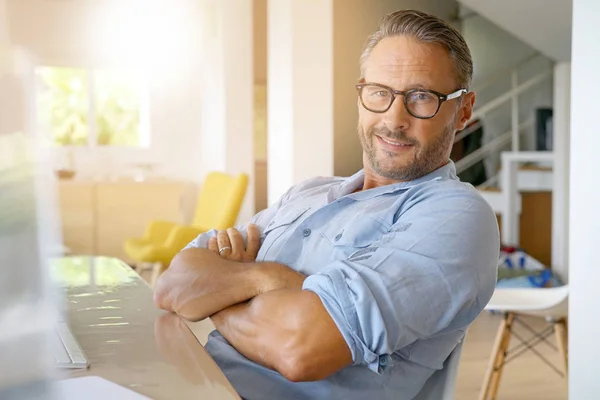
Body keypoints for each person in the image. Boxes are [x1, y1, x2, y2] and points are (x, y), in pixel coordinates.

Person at [154, 9, 499, 400]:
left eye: (421, 97)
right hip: (193, 385)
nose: (394, 117)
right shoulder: (308, 192)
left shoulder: (455, 215)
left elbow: (299, 349)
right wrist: (268, 283)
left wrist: (225, 289)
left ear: (464, 111)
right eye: (380, 92)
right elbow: (173, 285)